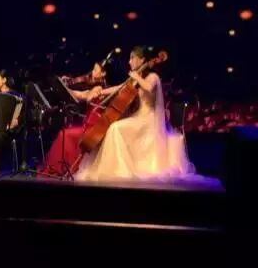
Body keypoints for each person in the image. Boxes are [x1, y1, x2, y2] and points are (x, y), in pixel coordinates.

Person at [75, 46, 194, 181]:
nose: (129, 61)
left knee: (115, 128)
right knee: (114, 127)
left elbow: (148, 88)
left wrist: (137, 77)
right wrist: (101, 92)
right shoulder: (138, 77)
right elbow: (120, 88)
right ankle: (115, 169)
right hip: (138, 117)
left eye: (132, 58)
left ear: (142, 60)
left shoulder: (153, 77)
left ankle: (120, 170)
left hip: (149, 120)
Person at [39, 62, 107, 177]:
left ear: (103, 73)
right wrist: (64, 87)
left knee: (64, 134)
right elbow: (80, 95)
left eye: (96, 70)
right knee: (64, 133)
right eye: (93, 69)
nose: (92, 72)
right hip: (87, 125)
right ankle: (61, 167)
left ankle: (61, 168)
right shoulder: (93, 88)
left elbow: (86, 96)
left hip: (92, 128)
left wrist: (82, 92)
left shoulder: (100, 88)